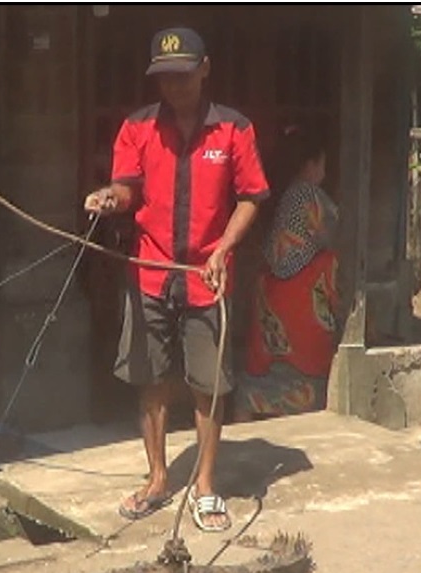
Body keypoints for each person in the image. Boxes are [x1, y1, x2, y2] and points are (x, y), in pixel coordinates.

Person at [83, 27, 270, 533]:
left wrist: (223, 250)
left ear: (205, 69)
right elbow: (127, 190)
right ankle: (159, 477)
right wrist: (110, 198)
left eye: (184, 76)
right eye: (165, 78)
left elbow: (252, 196)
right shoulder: (138, 127)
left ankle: (206, 487)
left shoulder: (234, 129)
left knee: (208, 385)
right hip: (150, 272)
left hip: (207, 279)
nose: (175, 87)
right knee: (151, 381)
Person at [234, 127, 340, 420]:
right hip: (303, 293)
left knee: (262, 369)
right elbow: (337, 236)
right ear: (312, 164)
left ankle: (244, 418)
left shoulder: (276, 192)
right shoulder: (309, 195)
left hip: (269, 291)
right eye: (322, 163)